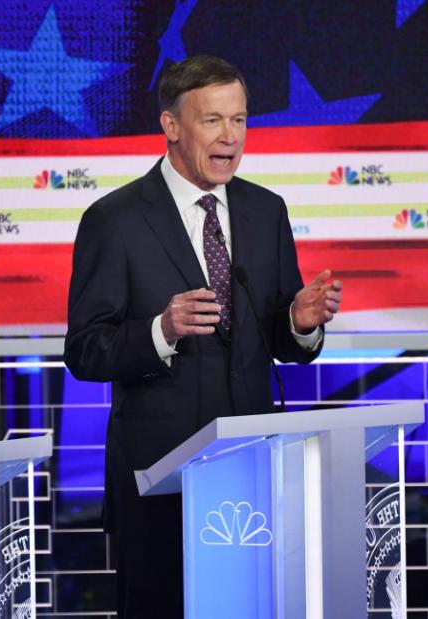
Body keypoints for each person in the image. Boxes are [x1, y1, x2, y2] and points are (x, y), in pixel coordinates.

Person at [65, 55, 343, 617]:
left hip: (252, 471)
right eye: (213, 121)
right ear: (171, 126)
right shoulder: (114, 219)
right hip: (158, 474)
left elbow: (276, 338)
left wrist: (299, 322)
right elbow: (85, 350)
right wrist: (159, 331)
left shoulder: (266, 211)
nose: (230, 138)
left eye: (239, 120)